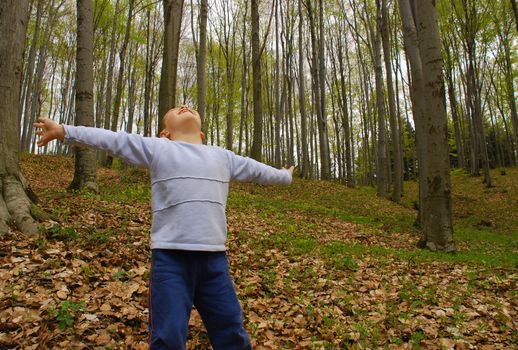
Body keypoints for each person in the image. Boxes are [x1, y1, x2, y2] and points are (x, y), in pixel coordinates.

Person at [33, 105, 295, 350]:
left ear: (202, 133)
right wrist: (64, 131)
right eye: (175, 108)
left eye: (189, 107)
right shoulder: (159, 148)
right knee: (167, 335)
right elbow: (111, 139)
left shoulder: (223, 157)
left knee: (231, 330)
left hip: (214, 263)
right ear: (165, 133)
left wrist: (285, 176)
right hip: (171, 261)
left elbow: (257, 170)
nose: (184, 105)